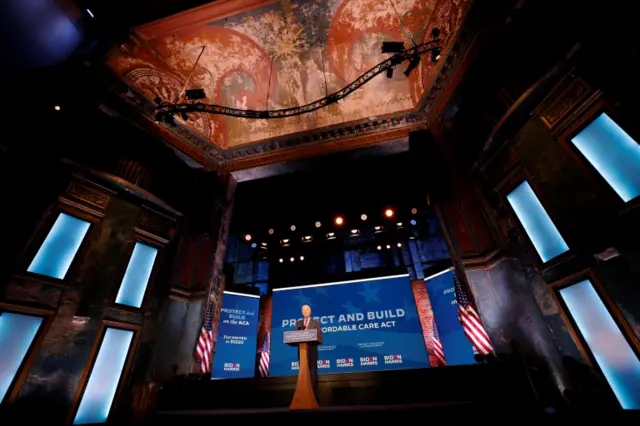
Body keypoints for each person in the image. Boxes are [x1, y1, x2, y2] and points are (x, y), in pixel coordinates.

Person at [295, 304, 323, 401]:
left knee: (313, 373)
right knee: (303, 373)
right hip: (302, 351)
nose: (305, 311)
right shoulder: (298, 323)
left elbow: (319, 335)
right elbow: (295, 337)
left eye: (307, 310)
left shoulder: (316, 322)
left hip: (312, 350)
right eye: (303, 310)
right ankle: (303, 397)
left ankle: (314, 397)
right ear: (302, 312)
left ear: (310, 311)